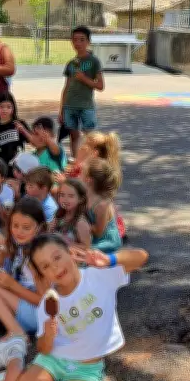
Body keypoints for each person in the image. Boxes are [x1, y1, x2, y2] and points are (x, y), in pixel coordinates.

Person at [0, 235, 149, 381]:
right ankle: (14, 354)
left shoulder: (99, 276)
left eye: (57, 257)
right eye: (45, 266)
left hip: (86, 369)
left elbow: (141, 256)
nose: (54, 267)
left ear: (70, 252)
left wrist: (109, 259)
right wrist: (48, 335)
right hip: (53, 360)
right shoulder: (48, 302)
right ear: (42, 275)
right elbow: (43, 348)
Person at [0, 198, 47, 343]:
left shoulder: (38, 256)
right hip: (24, 307)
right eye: (15, 225)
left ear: (39, 228)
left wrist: (12, 285)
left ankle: (17, 331)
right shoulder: (19, 248)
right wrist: (1, 262)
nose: (19, 232)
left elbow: (45, 301)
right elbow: (12, 277)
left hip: (39, 314)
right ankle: (14, 328)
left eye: (26, 228)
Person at [60, 26, 104, 158]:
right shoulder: (71, 64)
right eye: (75, 40)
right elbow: (66, 87)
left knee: (90, 136)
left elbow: (101, 85)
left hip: (86, 105)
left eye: (82, 40)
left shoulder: (94, 61)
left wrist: (84, 78)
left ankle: (90, 163)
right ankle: (76, 163)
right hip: (70, 105)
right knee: (74, 137)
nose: (78, 43)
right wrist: (61, 109)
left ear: (88, 41)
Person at [84, 158, 123, 253]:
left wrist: (82, 225)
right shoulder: (85, 194)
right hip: (91, 237)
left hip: (106, 242)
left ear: (88, 180)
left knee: (80, 251)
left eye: (81, 173)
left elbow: (99, 232)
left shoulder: (102, 204)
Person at [0, 91, 29, 171]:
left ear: (13, 108)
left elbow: (30, 140)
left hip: (19, 167)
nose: (5, 110)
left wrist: (23, 130)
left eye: (9, 107)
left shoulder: (20, 124)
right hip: (2, 168)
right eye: (1, 107)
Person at [52, 179, 92, 248]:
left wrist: (66, 243)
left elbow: (86, 247)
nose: (65, 199)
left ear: (81, 199)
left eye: (70, 196)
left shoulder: (80, 222)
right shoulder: (60, 215)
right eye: (62, 195)